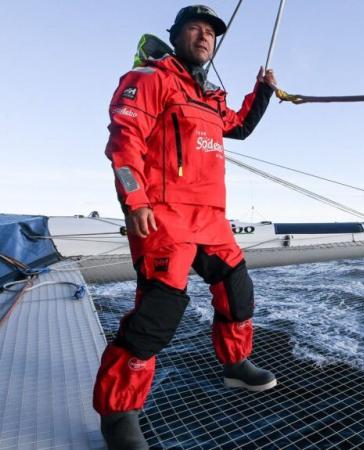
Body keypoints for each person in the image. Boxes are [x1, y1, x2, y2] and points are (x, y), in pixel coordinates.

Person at [93, 5, 277, 448]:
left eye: (211, 32)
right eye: (194, 28)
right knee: (159, 314)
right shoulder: (150, 80)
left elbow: (240, 126)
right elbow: (124, 142)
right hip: (164, 215)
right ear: (175, 35)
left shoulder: (211, 99)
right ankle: (119, 414)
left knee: (237, 290)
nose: (204, 36)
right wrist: (134, 200)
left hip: (211, 217)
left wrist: (263, 91)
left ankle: (235, 364)